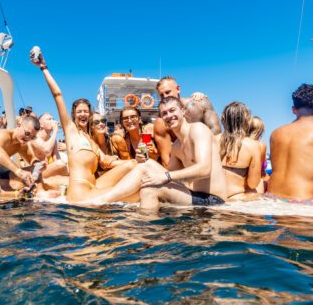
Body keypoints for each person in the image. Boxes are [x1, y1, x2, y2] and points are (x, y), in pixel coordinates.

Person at [30, 48, 136, 202]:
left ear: (90, 114)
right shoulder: (71, 130)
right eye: (79, 112)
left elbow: (106, 161)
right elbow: (57, 95)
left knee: (134, 165)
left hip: (94, 187)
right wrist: (43, 68)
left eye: (86, 111)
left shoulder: (91, 140)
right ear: (74, 115)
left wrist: (135, 162)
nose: (83, 114)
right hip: (80, 194)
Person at [84, 96, 226, 208]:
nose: (169, 116)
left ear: (183, 111)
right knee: (147, 174)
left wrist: (166, 176)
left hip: (212, 199)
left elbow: (204, 169)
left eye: (172, 110)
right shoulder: (176, 146)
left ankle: (102, 200)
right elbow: (162, 174)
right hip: (194, 194)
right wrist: (149, 160)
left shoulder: (198, 129)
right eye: (164, 113)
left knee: (149, 183)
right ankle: (147, 235)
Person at [153, 76, 220, 166]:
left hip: (210, 155)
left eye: (168, 92)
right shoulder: (161, 122)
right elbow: (166, 159)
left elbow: (216, 131)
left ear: (178, 89)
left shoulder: (199, 103)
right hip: (183, 163)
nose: (165, 97)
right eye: (161, 95)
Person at [217, 102, 262, 200]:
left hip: (212, 198)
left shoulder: (211, 140)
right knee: (254, 191)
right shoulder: (253, 146)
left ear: (223, 119)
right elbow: (253, 184)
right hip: (236, 198)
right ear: (246, 121)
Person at [248, 115, 268, 192]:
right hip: (256, 183)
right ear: (260, 130)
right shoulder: (261, 145)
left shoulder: (241, 144)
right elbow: (260, 171)